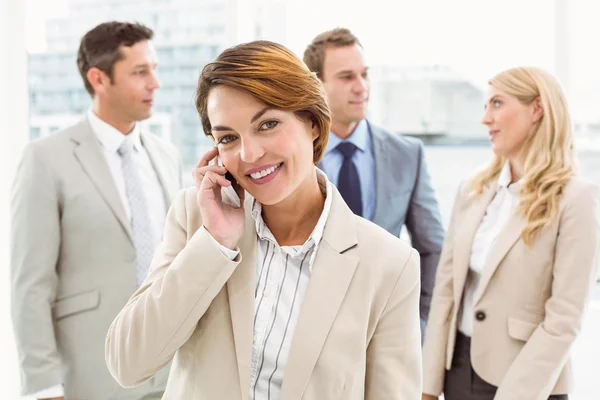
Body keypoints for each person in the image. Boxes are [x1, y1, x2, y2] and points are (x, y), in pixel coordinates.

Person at [105, 40, 422, 399]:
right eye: (228, 137)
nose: (250, 153)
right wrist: (214, 244)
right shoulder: (195, 217)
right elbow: (127, 364)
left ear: (313, 124)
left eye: (268, 123)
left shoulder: (389, 265)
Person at [10, 21, 181, 400]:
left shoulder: (166, 156)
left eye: (154, 69)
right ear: (99, 79)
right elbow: (31, 285)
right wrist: (44, 384)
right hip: (91, 375)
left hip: (171, 371)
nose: (155, 83)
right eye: (140, 72)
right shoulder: (46, 159)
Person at [421, 67, 600, 400]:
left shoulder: (576, 198)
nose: (485, 118)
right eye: (485, 106)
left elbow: (564, 318)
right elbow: (446, 290)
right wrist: (428, 387)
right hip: (457, 372)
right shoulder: (473, 189)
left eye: (497, 104)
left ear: (536, 109)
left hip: (528, 382)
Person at [303, 28, 444, 334]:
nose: (361, 87)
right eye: (346, 77)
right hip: (308, 323)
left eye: (364, 75)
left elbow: (432, 248)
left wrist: (420, 322)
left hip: (385, 325)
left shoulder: (408, 154)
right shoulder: (296, 155)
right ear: (316, 84)